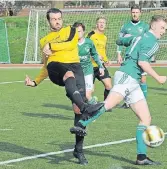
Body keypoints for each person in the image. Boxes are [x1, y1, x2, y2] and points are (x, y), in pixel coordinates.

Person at [73, 15, 167, 165]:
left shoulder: (139, 36)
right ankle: (82, 124)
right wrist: (158, 78)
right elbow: (142, 61)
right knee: (109, 104)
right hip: (127, 76)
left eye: (165, 29)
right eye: (162, 27)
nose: (164, 31)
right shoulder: (153, 41)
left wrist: (125, 42)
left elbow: (120, 41)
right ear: (154, 26)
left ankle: (141, 157)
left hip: (131, 80)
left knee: (145, 118)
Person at [24, 8, 104, 165]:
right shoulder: (43, 40)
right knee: (68, 75)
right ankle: (87, 107)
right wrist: (36, 82)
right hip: (56, 67)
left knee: (78, 110)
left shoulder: (71, 30)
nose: (57, 21)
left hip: (76, 67)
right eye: (53, 19)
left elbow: (70, 44)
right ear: (48, 21)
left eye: (59, 18)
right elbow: (46, 65)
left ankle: (78, 150)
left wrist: (52, 46)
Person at [117, 4, 149, 109]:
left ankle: (143, 100)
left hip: (140, 56)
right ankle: (127, 102)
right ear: (131, 13)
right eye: (133, 12)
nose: (135, 14)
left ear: (140, 13)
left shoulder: (145, 27)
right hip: (129, 56)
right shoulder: (125, 26)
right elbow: (120, 41)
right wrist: (118, 54)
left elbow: (148, 41)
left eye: (136, 12)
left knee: (143, 79)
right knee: (128, 79)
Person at [73, 22, 105, 104]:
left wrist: (100, 66)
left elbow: (94, 54)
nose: (78, 33)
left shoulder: (89, 42)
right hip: (77, 72)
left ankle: (94, 107)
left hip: (88, 71)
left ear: (83, 32)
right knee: (78, 95)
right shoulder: (71, 44)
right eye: (76, 31)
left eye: (79, 31)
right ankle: (93, 102)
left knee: (87, 95)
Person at [87, 16, 112, 108]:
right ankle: (87, 106)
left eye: (103, 23)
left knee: (109, 85)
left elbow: (103, 51)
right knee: (90, 91)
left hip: (100, 66)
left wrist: (106, 60)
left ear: (105, 25)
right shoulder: (91, 35)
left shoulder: (104, 37)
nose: (101, 24)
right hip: (90, 66)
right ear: (96, 24)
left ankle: (106, 105)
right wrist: (95, 56)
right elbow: (85, 48)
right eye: (100, 22)